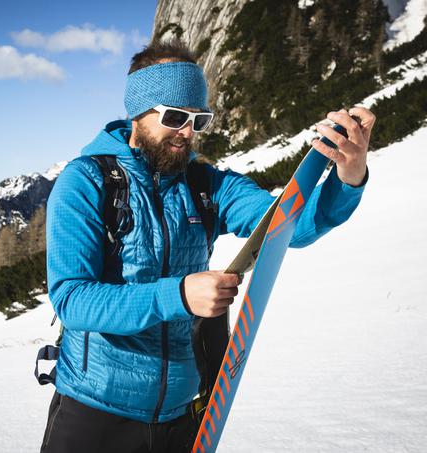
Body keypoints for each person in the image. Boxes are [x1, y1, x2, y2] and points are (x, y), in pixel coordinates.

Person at [40, 40, 374, 453]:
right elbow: (73, 299)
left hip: (182, 417)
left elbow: (291, 226)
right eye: (176, 117)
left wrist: (348, 176)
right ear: (138, 112)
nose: (187, 133)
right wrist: (178, 294)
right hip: (94, 414)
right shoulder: (85, 182)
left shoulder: (204, 185)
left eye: (199, 120)